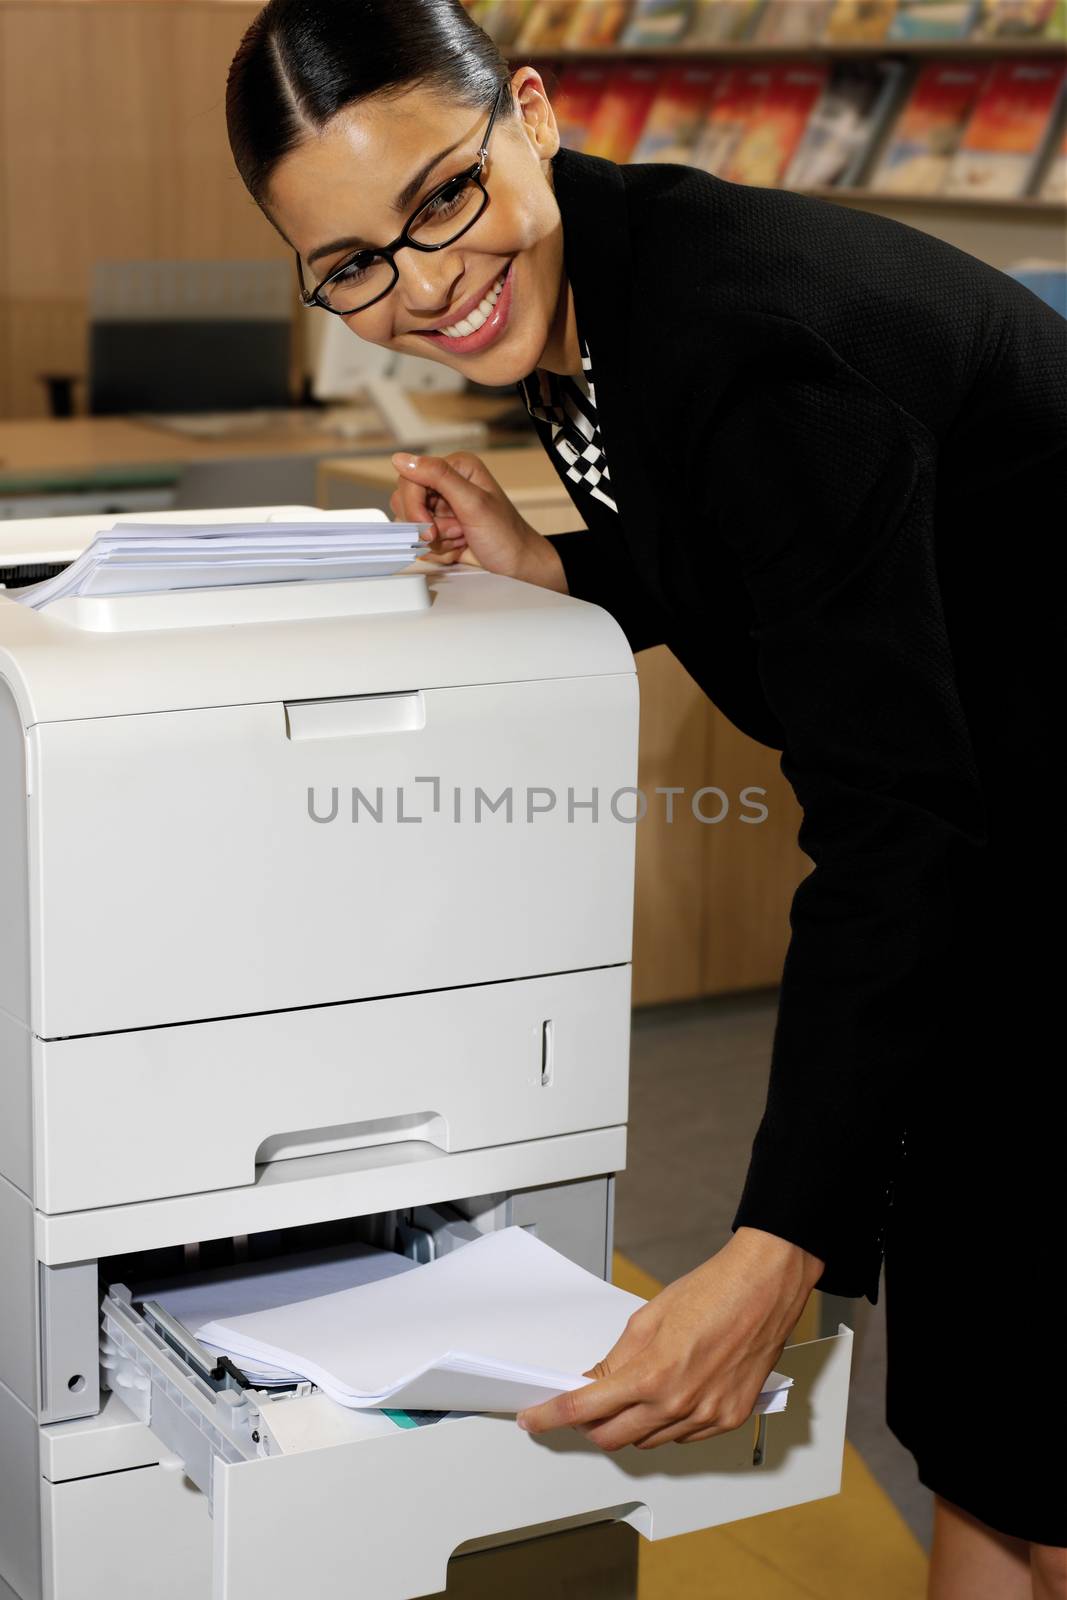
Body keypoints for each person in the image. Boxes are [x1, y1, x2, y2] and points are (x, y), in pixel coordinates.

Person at [225, 4, 1066, 1595]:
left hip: (1002, 866)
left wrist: (775, 1246)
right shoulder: (593, 285)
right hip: (991, 871)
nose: (421, 288)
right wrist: (569, 568)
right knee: (986, 1438)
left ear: (531, 114)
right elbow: (788, 562)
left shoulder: (738, 337)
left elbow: (893, 825)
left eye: (441, 201)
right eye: (350, 264)